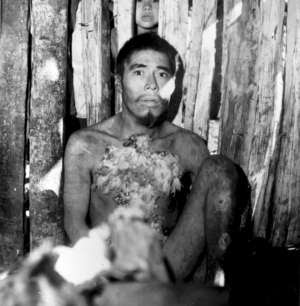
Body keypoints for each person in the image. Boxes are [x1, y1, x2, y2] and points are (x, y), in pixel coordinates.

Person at [64, 33, 251, 283]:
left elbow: (213, 216)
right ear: (119, 82)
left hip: (168, 269)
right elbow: (74, 222)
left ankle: (218, 290)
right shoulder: (86, 144)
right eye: (139, 73)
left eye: (162, 74)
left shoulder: (187, 145)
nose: (152, 84)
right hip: (111, 272)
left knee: (221, 168)